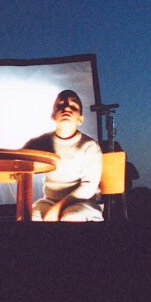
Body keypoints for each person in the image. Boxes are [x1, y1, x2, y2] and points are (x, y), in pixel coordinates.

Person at [23, 90, 103, 222]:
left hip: (83, 202)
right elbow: (20, 157)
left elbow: (89, 187)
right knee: (29, 217)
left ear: (80, 119)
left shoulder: (89, 146)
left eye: (73, 106)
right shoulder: (42, 141)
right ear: (53, 115)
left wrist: (59, 207)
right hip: (50, 201)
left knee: (71, 218)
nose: (66, 108)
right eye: (60, 105)